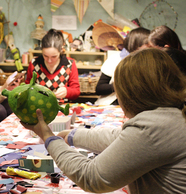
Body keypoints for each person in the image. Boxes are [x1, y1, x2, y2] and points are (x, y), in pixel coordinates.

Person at [23, 48, 186, 193]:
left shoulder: (154, 126)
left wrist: (48, 137)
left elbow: (91, 177)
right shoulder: (170, 115)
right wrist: (73, 136)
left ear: (132, 93)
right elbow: (119, 137)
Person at [95, 27, 150, 105]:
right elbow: (99, 89)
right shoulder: (116, 59)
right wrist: (123, 85)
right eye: (149, 44)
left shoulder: (150, 62)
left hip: (139, 105)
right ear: (137, 44)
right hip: (112, 104)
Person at [25, 29, 80, 101]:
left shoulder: (70, 64)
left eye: (54, 56)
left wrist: (67, 91)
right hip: (39, 106)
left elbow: (76, 91)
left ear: (61, 50)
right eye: (45, 56)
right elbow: (27, 87)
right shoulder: (34, 63)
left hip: (62, 107)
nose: (49, 61)